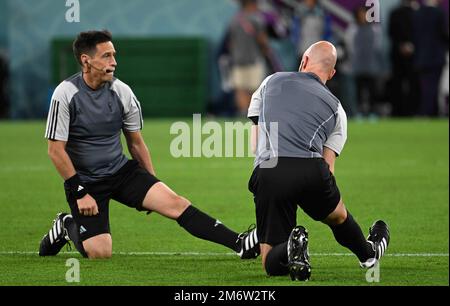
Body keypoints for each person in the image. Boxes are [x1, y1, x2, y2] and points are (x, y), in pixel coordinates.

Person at [39, 30, 260, 260]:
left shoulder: (122, 92)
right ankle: (66, 225)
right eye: (106, 56)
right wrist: (79, 191)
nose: (113, 62)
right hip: (85, 181)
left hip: (121, 171)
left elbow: (135, 144)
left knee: (175, 203)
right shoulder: (65, 94)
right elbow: (55, 150)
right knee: (99, 252)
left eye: (114, 55)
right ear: (86, 60)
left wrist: (151, 181)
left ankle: (240, 243)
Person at [247, 41, 390, 281]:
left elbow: (256, 139)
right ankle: (368, 254)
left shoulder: (270, 81)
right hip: (311, 170)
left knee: (270, 262)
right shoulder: (337, 108)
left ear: (303, 60)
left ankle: (292, 247)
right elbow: (328, 167)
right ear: (332, 73)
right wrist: (316, 197)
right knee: (338, 216)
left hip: (269, 170)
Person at [228, 0, 271, 116]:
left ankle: (243, 113)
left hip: (238, 60)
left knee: (240, 89)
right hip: (254, 59)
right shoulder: (257, 19)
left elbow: (231, 43)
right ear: (252, 4)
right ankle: (253, 115)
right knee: (255, 90)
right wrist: (266, 51)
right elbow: (262, 39)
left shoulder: (234, 20)